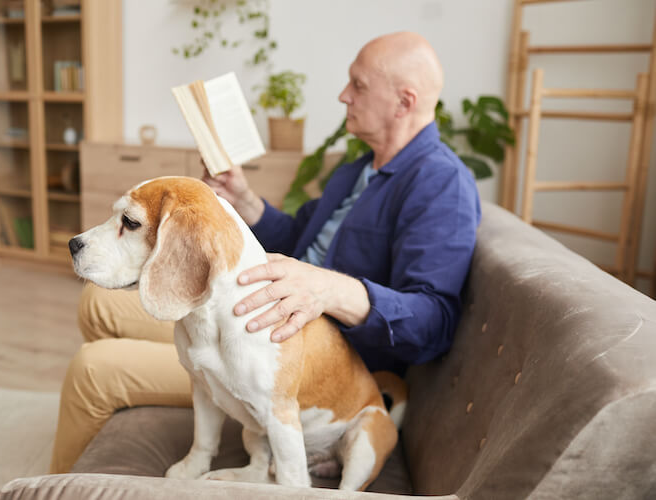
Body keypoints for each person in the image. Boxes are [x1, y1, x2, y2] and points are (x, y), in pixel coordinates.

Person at [49, 31, 481, 474]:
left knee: (92, 371)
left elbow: (435, 321)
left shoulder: (441, 184)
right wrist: (245, 200)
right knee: (97, 303)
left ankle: (55, 487)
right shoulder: (356, 170)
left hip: (303, 357)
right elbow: (299, 237)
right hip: (256, 306)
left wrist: (329, 290)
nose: (343, 95)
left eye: (359, 85)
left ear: (404, 102)